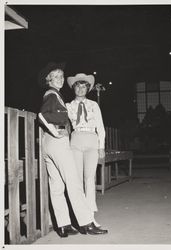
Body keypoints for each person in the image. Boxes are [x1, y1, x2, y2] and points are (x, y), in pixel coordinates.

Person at [38, 62, 108, 237]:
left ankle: (63, 225)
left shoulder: (55, 95)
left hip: (49, 143)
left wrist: (101, 146)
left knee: (57, 185)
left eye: (61, 76)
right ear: (49, 80)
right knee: (74, 182)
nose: (60, 79)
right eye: (56, 77)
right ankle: (86, 222)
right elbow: (42, 115)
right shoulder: (53, 95)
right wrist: (55, 132)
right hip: (59, 141)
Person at [66, 73, 105, 227]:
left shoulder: (94, 105)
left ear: (88, 89)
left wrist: (101, 146)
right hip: (76, 139)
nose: (81, 89)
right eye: (78, 86)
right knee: (77, 180)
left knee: (90, 179)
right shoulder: (69, 106)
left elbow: (100, 127)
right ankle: (80, 216)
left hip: (91, 140)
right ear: (73, 88)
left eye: (84, 86)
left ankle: (90, 215)